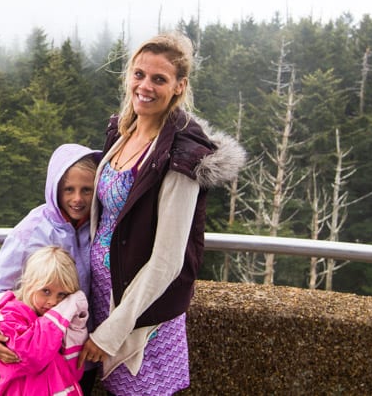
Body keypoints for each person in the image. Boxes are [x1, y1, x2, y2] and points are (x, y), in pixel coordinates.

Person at [78, 32, 246, 394]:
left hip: (141, 316)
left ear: (179, 87)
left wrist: (111, 332)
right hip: (104, 300)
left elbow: (167, 262)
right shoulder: (122, 133)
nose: (145, 86)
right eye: (139, 74)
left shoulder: (182, 156)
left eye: (159, 79)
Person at [0, 144, 100, 391]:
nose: (77, 199)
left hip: (81, 357)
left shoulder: (101, 227)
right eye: (68, 190)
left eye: (87, 190)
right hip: (39, 364)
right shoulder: (30, 231)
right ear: (55, 188)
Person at [0, 246, 89, 395]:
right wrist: (64, 309)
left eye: (62, 295)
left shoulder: (58, 318)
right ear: (29, 284)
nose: (53, 302)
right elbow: (32, 356)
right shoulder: (10, 315)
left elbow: (74, 368)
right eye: (46, 291)